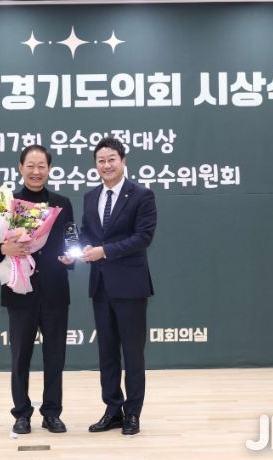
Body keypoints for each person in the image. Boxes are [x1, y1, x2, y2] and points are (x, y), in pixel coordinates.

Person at [0, 145, 73, 435]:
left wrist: (72, 257)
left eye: (42, 166)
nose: (36, 171)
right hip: (19, 290)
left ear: (49, 169)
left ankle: (52, 413)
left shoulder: (62, 203)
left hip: (55, 290)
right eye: (30, 165)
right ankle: (21, 414)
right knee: (20, 357)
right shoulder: (6, 203)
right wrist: (2, 249)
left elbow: (71, 237)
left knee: (55, 356)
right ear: (20, 168)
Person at [79, 137, 157, 436]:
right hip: (100, 286)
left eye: (112, 159)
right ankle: (112, 410)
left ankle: (132, 413)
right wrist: (77, 250)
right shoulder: (90, 197)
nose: (106, 165)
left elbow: (143, 237)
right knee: (107, 352)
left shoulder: (142, 195)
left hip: (131, 286)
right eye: (101, 160)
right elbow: (87, 233)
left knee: (133, 354)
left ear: (123, 161)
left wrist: (105, 251)